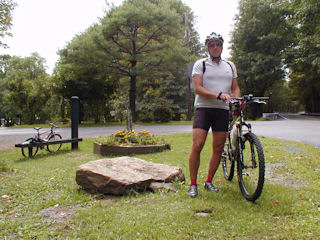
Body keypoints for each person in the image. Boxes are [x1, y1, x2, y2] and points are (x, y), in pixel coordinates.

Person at [188, 32, 241, 197]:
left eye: (218, 44)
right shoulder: (200, 64)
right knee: (198, 145)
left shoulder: (230, 66)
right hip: (203, 108)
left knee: (218, 148)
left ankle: (209, 181)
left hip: (222, 111)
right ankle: (193, 184)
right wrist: (218, 95)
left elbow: (234, 88)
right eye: (212, 45)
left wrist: (238, 99)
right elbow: (197, 88)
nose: (215, 47)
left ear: (222, 45)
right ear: (207, 47)